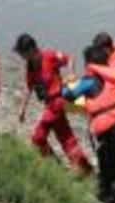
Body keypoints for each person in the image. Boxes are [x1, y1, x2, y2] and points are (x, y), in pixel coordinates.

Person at [62, 45, 115, 203]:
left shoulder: (88, 81)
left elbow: (69, 95)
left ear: (89, 63)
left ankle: (112, 195)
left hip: (109, 127)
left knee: (107, 158)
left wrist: (65, 85)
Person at [14, 34, 92, 175]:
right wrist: (22, 109)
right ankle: (85, 169)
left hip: (57, 102)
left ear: (30, 50)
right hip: (49, 105)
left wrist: (71, 74)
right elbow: (29, 87)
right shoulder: (30, 67)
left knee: (38, 138)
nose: (21, 56)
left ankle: (55, 167)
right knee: (66, 137)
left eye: (22, 53)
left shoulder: (49, 56)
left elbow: (69, 59)